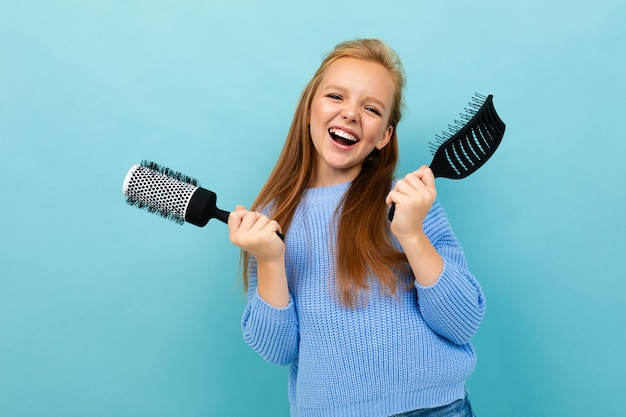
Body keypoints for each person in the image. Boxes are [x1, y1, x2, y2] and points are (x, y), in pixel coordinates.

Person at [228, 38, 485, 417]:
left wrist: (411, 233)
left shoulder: (410, 205)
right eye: (336, 96)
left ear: (384, 135)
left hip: (437, 409)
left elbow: (462, 323)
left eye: (370, 108)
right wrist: (269, 260)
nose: (350, 114)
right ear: (308, 110)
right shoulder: (271, 220)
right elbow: (278, 349)